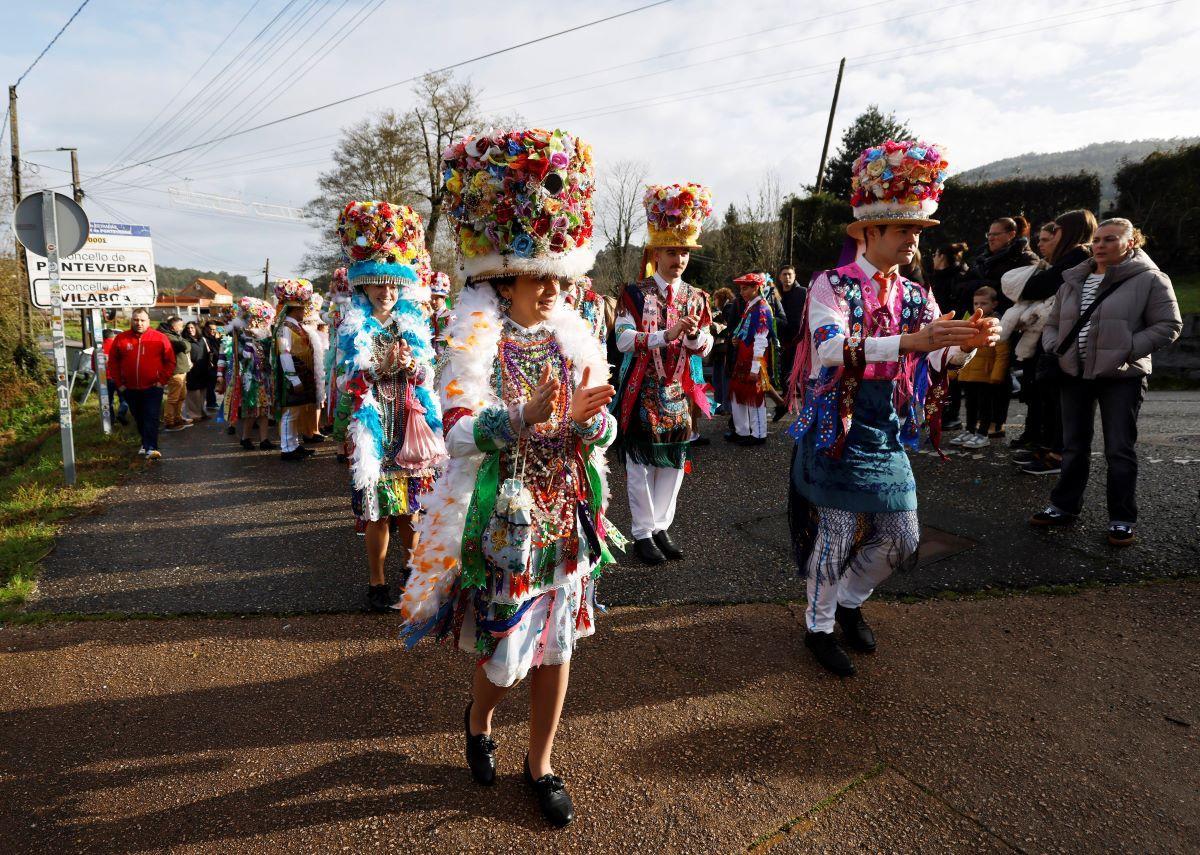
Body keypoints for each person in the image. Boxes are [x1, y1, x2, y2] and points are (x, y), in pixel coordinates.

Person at [400, 127, 617, 828]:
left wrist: (590, 421)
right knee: (504, 657)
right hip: (504, 526)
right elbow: (456, 436)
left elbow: (602, 433)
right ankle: (479, 718)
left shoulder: (572, 337)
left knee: (559, 647)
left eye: (561, 277)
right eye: (539, 276)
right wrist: (519, 415)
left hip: (565, 517)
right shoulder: (475, 343)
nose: (553, 289)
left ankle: (542, 762)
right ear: (503, 278)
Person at [787, 140, 998, 677]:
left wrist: (970, 341)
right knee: (833, 536)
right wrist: (912, 343)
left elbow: (941, 356)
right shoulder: (829, 285)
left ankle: (850, 601)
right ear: (869, 232)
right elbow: (830, 349)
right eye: (903, 230)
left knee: (903, 537)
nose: (912, 240)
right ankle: (818, 625)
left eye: (917, 231)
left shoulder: (916, 294)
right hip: (836, 429)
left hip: (885, 432)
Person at [1030, 218, 1181, 546]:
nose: (1099, 245)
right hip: (1074, 373)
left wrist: (1126, 350)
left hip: (1122, 376)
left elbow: (1168, 324)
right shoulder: (1074, 278)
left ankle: (1122, 518)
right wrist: (1055, 347)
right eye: (1097, 239)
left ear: (1130, 242)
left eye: (1110, 239)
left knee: (1119, 449)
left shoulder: (1151, 279)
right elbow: (1053, 322)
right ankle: (1063, 505)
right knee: (1073, 445)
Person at [332, 200, 445, 613]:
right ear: (364, 287)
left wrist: (415, 366)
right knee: (377, 514)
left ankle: (411, 571)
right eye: (379, 284)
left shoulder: (413, 323)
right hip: (372, 430)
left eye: (393, 285)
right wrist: (379, 367)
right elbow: (346, 383)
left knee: (411, 512)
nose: (387, 292)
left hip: (408, 428)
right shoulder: (351, 327)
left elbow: (428, 383)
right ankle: (377, 582)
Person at [613, 182, 715, 566]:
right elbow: (622, 339)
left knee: (673, 463)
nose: (679, 259)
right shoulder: (635, 294)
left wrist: (693, 338)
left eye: (685, 252)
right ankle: (641, 531)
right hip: (642, 390)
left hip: (677, 392)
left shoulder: (695, 296)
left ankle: (660, 526)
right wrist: (663, 335)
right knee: (640, 464)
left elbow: (704, 346)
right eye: (672, 251)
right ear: (655, 253)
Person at [1013, 209, 1098, 476]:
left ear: (1069, 231)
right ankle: (1049, 446)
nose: (1052, 234)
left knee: (1062, 400)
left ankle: (1057, 454)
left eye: (1057, 230)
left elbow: (1038, 287)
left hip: (1065, 338)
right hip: (1057, 335)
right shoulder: (1070, 258)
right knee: (1049, 396)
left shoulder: (1077, 257)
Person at [108, 308, 176, 459]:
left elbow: (170, 361)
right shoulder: (121, 339)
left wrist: (161, 381)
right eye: (136, 320)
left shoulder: (159, 338)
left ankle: (151, 448)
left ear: (148, 322)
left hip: (153, 387)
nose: (139, 323)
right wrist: (120, 384)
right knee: (139, 417)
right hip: (129, 388)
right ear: (131, 320)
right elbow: (113, 362)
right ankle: (145, 443)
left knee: (151, 416)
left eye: (142, 320)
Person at [272, 279, 326, 461]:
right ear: (295, 309)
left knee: (297, 411)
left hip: (302, 374)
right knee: (290, 412)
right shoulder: (284, 328)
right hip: (293, 376)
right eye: (302, 308)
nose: (305, 312)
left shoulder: (296, 326)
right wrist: (293, 379)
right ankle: (287, 448)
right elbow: (284, 354)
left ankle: (294, 444)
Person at [950, 286, 1010, 449]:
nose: (979, 307)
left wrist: (997, 375)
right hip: (969, 374)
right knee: (970, 405)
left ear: (994, 304)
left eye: (984, 303)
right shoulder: (969, 322)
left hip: (986, 375)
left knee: (985, 407)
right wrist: (956, 371)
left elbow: (1002, 353)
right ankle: (970, 431)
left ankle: (982, 434)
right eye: (976, 303)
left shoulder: (996, 325)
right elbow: (961, 347)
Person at [217, 297, 276, 451]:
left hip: (263, 377)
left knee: (264, 409)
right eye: (254, 319)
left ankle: (264, 440)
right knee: (251, 410)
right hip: (250, 378)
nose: (257, 322)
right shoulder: (241, 336)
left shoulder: (266, 336)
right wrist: (250, 340)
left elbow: (270, 355)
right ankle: (245, 438)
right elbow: (244, 356)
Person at [726, 272, 777, 445]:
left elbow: (762, 339)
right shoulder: (751, 306)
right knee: (739, 394)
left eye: (745, 288)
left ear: (756, 288)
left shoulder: (761, 309)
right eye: (741, 288)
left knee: (754, 397)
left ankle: (759, 434)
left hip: (753, 358)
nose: (742, 292)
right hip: (743, 356)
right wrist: (737, 338)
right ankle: (742, 431)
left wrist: (756, 367)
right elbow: (746, 330)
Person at [929, 242, 970, 430]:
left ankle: (951, 415)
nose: (933, 259)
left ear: (942, 256)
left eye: (935, 254)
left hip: (952, 330)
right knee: (935, 374)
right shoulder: (941, 277)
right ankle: (936, 413)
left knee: (950, 375)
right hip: (939, 330)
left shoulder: (956, 277)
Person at [961, 216, 1039, 312]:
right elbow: (962, 287)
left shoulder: (1025, 259)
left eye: (995, 234)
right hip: (976, 318)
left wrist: (991, 287)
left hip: (1009, 319)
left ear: (1011, 234)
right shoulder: (981, 259)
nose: (990, 238)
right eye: (989, 234)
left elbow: (1023, 292)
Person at [776, 264, 808, 392]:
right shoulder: (776, 294)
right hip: (784, 340)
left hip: (801, 339)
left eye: (790, 274)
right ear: (780, 277)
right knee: (785, 373)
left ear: (794, 276)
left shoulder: (803, 292)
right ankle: (786, 401)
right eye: (784, 274)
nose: (787, 277)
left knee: (801, 374)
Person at [159, 316, 193, 431]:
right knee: (173, 398)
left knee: (181, 396)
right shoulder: (168, 336)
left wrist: (185, 343)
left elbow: (187, 345)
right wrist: (185, 343)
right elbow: (184, 346)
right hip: (175, 371)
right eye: (181, 325)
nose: (183, 328)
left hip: (181, 370)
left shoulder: (176, 335)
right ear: (174, 327)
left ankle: (177, 418)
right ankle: (169, 421)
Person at [709, 286, 736, 414]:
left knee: (723, 379)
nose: (714, 302)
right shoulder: (726, 309)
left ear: (721, 298)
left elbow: (729, 328)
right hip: (721, 351)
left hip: (724, 350)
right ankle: (720, 406)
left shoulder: (729, 308)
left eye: (715, 299)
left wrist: (718, 327)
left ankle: (725, 407)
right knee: (718, 379)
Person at [96, 328, 129, 426]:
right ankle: (121, 413)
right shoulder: (119, 346)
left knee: (108, 401)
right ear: (113, 336)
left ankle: (111, 421)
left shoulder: (98, 349)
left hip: (105, 379)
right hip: (120, 377)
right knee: (124, 398)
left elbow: (94, 367)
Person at [182, 321, 211, 422]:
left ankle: (201, 412)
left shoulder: (202, 339)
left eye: (192, 328)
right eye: (188, 328)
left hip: (203, 370)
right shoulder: (185, 340)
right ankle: (194, 415)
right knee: (193, 393)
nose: (190, 330)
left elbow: (208, 352)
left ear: (196, 329)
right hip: (192, 371)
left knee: (202, 393)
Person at [202, 320, 223, 412]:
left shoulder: (214, 337)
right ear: (206, 328)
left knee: (213, 384)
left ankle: (212, 402)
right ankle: (211, 403)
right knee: (210, 385)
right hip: (209, 365)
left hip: (216, 363)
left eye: (214, 329)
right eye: (210, 329)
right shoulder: (204, 338)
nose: (212, 331)